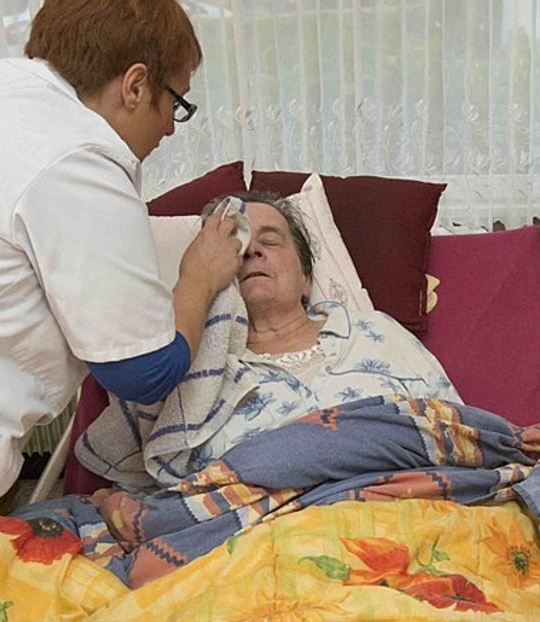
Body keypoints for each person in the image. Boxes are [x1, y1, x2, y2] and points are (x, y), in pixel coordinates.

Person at [0, 0, 242, 547]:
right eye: (176, 102)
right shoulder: (77, 160)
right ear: (136, 85)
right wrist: (197, 277)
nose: (169, 127)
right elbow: (143, 371)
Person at [184, 191, 461, 466]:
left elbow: (465, 435)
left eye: (270, 241)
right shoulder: (197, 371)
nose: (251, 250)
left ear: (306, 278)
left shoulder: (376, 331)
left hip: (413, 501)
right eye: (235, 245)